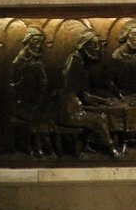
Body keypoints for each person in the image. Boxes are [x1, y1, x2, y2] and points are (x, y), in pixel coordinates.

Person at [59, 28, 119, 157]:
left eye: (98, 44)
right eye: (93, 45)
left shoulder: (79, 60)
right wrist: (102, 100)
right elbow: (79, 93)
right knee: (100, 118)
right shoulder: (75, 62)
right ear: (83, 45)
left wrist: (103, 101)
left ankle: (89, 145)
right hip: (70, 111)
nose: (97, 48)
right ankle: (111, 148)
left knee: (103, 115)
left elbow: (84, 93)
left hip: (75, 106)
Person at [8, 26, 54, 156]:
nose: (39, 45)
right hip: (23, 102)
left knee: (43, 117)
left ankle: (42, 145)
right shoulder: (20, 60)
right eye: (35, 41)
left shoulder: (37, 61)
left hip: (37, 100)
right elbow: (12, 83)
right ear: (28, 40)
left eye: (40, 42)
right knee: (36, 118)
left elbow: (44, 83)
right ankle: (34, 146)